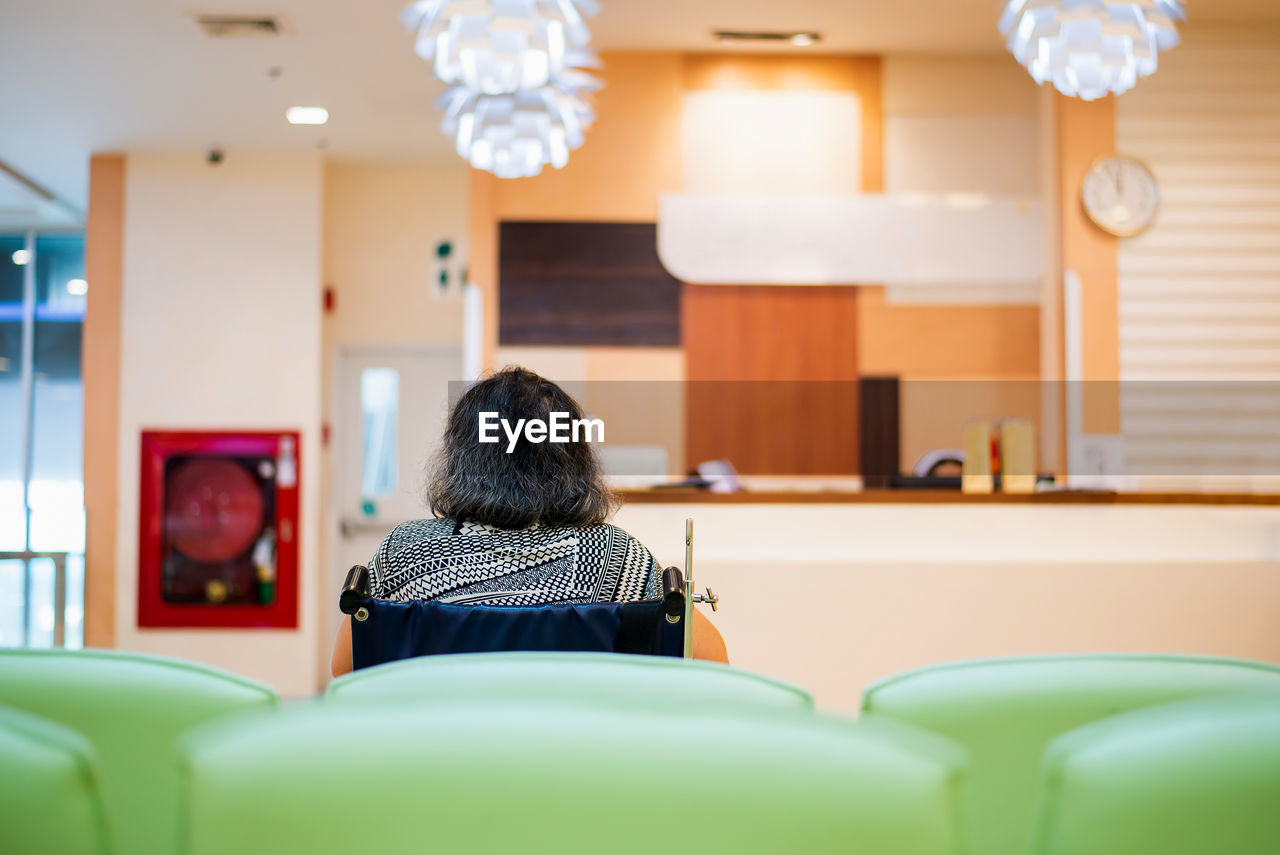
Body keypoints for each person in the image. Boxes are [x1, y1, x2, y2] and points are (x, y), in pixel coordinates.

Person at [331, 366, 728, 676]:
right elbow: (711, 662)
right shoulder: (617, 556)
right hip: (586, 770)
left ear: (463, 459)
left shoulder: (408, 553)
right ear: (573, 458)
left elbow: (348, 669)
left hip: (441, 767)